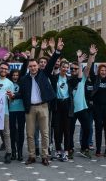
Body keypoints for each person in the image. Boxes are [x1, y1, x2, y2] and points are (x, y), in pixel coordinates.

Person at [20, 38, 64, 166]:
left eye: (35, 66)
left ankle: (45, 156)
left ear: (38, 66)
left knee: (45, 133)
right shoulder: (24, 79)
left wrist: (57, 51)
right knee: (30, 134)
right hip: (30, 109)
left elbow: (52, 63)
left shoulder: (43, 74)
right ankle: (32, 156)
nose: (33, 68)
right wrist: (13, 95)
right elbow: (22, 94)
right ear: (29, 67)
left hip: (43, 106)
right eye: (31, 66)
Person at [68, 45, 96, 159]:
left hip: (82, 108)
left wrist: (91, 55)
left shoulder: (82, 78)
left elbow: (88, 67)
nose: (74, 70)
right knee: (70, 131)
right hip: (70, 109)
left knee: (87, 128)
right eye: (72, 69)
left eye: (75, 68)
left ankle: (85, 148)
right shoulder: (67, 80)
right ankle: (70, 149)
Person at [8, 68, 25, 161]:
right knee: (12, 131)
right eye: (13, 75)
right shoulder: (8, 83)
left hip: (21, 110)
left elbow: (24, 94)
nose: (15, 77)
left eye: (17, 75)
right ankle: (13, 151)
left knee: (21, 131)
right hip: (11, 110)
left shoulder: (22, 84)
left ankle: (20, 152)